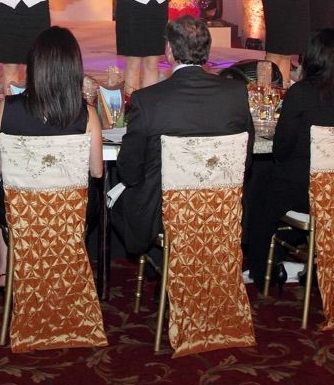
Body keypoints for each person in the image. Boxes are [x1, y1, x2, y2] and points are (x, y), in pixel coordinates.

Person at [108, 16, 253, 261]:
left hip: (164, 214)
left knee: (115, 200)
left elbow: (130, 171)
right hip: (220, 209)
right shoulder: (236, 93)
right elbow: (245, 162)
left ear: (169, 51)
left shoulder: (148, 99)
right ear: (207, 50)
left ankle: (163, 263)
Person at [242, 28, 334, 285]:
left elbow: (281, 151)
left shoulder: (302, 93)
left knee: (259, 184)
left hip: (308, 193)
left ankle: (262, 267)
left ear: (311, 59)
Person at [0, 26, 103, 291]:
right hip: (70, 210)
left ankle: (6, 269)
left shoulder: (7, 108)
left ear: (34, 67)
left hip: (21, 209)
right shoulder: (87, 114)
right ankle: (69, 267)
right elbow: (96, 171)